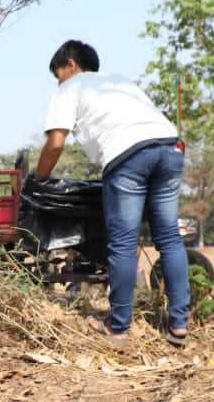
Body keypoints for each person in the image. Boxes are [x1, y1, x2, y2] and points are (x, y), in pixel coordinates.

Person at [35, 40, 190, 346]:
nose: (59, 81)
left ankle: (118, 328)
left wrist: (38, 180)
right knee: (169, 237)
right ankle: (179, 325)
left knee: (122, 243)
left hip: (128, 156)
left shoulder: (70, 87)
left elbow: (55, 142)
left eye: (59, 74)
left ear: (71, 65)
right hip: (169, 147)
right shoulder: (120, 82)